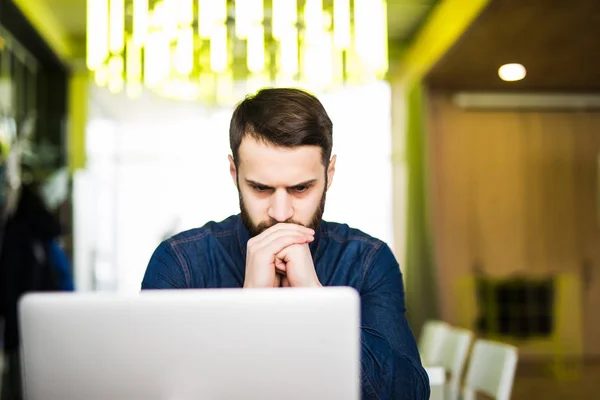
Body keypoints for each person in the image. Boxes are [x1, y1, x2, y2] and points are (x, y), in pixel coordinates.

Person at [142, 88, 430, 400]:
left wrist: (319, 306)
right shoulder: (179, 262)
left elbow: (409, 394)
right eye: (261, 188)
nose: (281, 213)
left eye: (301, 188)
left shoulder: (368, 260)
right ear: (234, 173)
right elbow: (150, 391)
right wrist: (248, 311)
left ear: (329, 175)